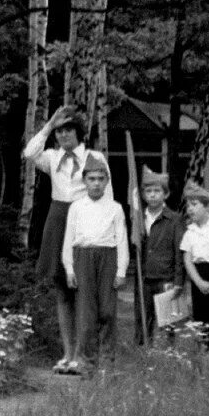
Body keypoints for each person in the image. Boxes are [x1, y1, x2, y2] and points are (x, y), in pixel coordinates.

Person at [22, 105, 113, 374]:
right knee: (62, 290)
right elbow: (29, 153)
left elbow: (107, 193)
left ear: (79, 132)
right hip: (59, 219)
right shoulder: (51, 157)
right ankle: (67, 353)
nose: (63, 136)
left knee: (84, 290)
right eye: (59, 132)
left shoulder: (94, 156)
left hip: (86, 218)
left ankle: (85, 355)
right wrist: (48, 125)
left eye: (68, 130)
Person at [60, 153, 126, 374]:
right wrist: (69, 268)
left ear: (106, 181)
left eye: (100, 179)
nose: (96, 183)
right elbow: (69, 239)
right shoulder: (77, 207)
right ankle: (88, 363)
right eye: (91, 179)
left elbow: (122, 240)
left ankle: (108, 362)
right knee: (86, 314)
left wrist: (122, 270)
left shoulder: (115, 208)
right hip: (83, 258)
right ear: (85, 181)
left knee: (107, 311)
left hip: (108, 258)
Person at [136, 165, 183, 345]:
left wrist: (178, 281)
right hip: (145, 277)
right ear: (143, 194)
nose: (153, 195)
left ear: (166, 194)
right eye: (148, 191)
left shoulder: (174, 219)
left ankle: (169, 354)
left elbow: (179, 253)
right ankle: (143, 353)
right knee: (143, 320)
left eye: (157, 191)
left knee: (168, 322)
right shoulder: (138, 218)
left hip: (166, 278)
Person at [180, 181, 209, 347]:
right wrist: (199, 281)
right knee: (201, 317)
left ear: (207, 206)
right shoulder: (190, 231)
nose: (189, 209)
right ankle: (204, 351)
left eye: (194, 204)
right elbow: (187, 259)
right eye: (188, 205)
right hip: (198, 277)